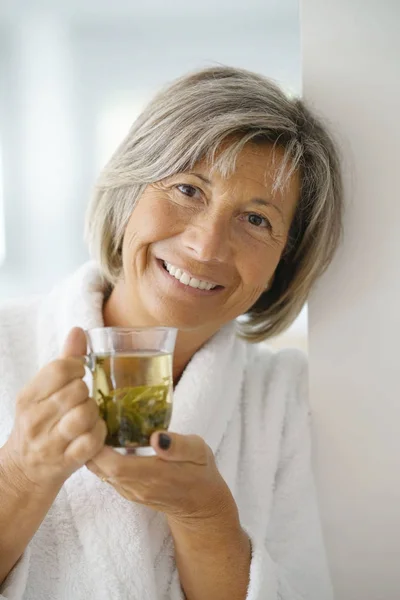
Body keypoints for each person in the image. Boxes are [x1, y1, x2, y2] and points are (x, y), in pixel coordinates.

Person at [0, 65, 342, 600]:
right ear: (130, 188)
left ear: (284, 261)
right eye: (188, 189)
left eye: (256, 220)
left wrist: (205, 515)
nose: (206, 247)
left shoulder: (285, 400)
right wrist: (21, 475)